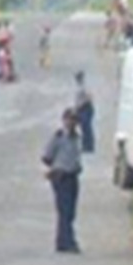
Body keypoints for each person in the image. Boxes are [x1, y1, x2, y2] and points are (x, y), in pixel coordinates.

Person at [42, 108, 83, 254]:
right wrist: (56, 168)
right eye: (69, 120)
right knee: (64, 210)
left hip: (73, 176)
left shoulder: (77, 138)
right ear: (64, 121)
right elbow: (46, 156)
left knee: (70, 211)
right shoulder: (58, 137)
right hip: (61, 177)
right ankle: (68, 242)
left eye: (74, 120)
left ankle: (61, 241)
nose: (72, 123)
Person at [73, 71, 96, 153]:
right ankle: (85, 145)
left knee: (86, 127)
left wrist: (81, 105)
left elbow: (89, 97)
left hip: (85, 109)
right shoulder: (79, 87)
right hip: (82, 109)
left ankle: (88, 146)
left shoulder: (84, 87)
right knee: (84, 128)